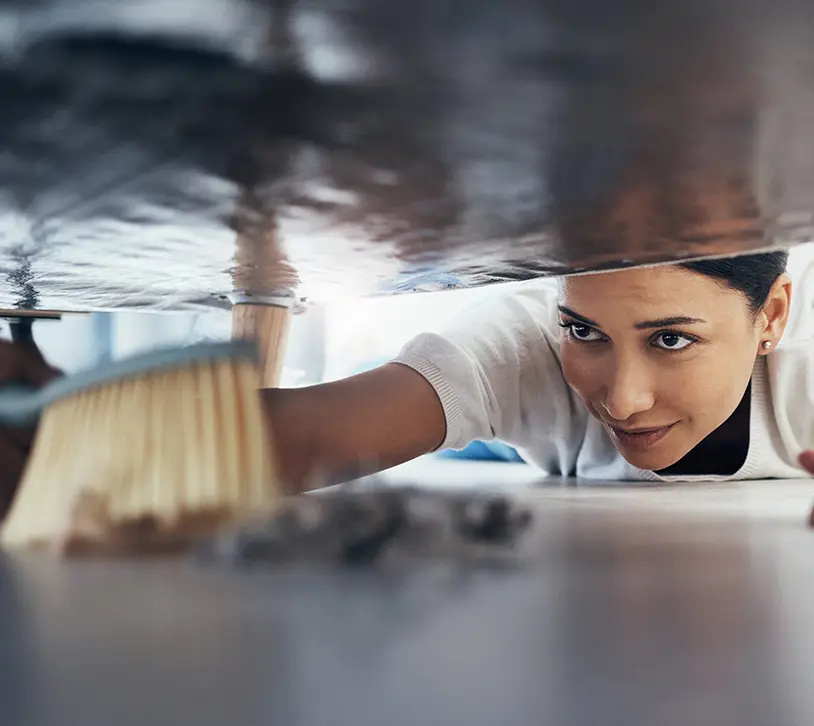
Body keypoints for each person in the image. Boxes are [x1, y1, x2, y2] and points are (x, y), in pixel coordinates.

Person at [1, 250, 813, 520]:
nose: (622, 396)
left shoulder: (804, 368)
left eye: (673, 340)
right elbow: (308, 435)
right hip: (508, 449)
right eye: (585, 332)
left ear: (772, 314)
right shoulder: (522, 343)